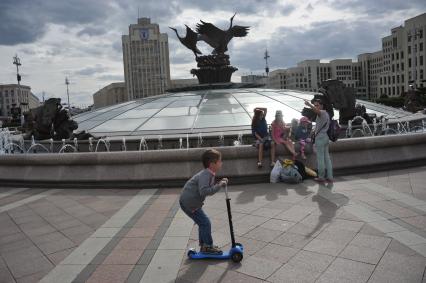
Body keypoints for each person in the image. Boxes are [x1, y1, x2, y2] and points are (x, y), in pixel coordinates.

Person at [179, 149, 228, 254]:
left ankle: (204, 245)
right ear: (212, 164)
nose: (221, 163)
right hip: (190, 203)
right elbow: (204, 191)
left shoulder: (208, 173)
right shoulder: (206, 174)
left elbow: (206, 188)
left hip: (189, 201)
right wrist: (219, 185)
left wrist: (219, 183)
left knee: (203, 223)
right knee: (205, 223)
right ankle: (207, 247)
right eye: (220, 161)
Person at [304, 99, 333, 183]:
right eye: (315, 105)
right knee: (327, 158)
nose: (316, 107)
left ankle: (321, 177)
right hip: (325, 137)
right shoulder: (326, 114)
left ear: (321, 106)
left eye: (317, 105)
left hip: (320, 138)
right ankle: (330, 177)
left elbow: (316, 111)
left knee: (320, 159)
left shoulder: (322, 113)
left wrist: (309, 104)